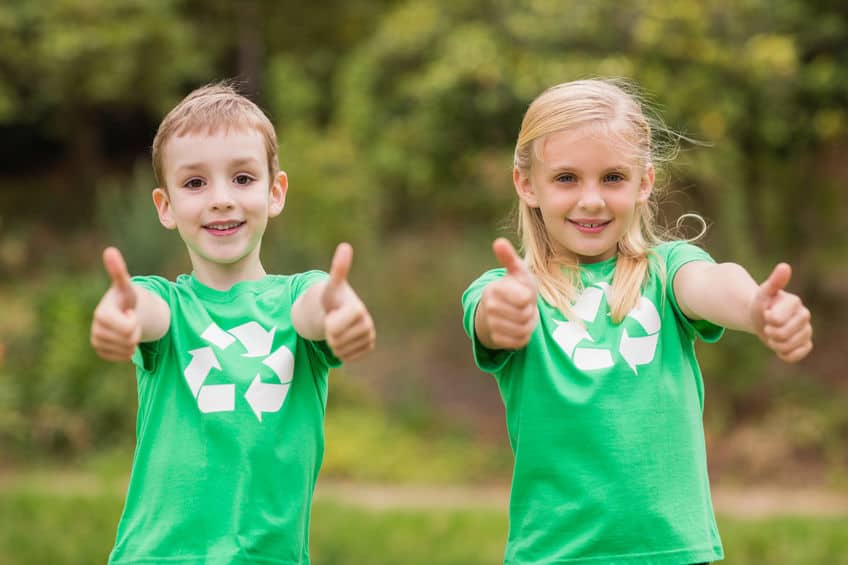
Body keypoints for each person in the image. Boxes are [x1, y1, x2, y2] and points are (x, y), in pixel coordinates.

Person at [461, 78, 813, 564]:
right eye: (566, 178)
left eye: (612, 178)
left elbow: (712, 283)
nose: (591, 200)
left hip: (674, 552)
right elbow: (488, 320)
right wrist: (505, 312)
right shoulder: (504, 289)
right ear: (527, 185)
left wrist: (755, 307)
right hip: (554, 553)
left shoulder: (667, 271)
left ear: (644, 182)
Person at [90, 82, 376, 564]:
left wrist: (338, 311)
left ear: (275, 191)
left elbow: (315, 312)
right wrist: (119, 315)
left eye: (242, 178)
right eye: (195, 183)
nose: (221, 199)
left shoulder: (299, 295)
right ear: (165, 206)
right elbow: (142, 311)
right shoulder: (168, 303)